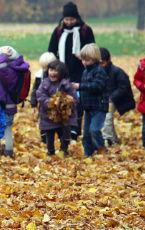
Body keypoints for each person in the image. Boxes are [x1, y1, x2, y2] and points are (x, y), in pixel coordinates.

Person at [48, 1, 96, 139]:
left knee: (78, 101)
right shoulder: (58, 31)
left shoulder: (85, 30)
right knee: (63, 100)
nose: (69, 22)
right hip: (63, 72)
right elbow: (51, 50)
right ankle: (64, 129)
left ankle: (76, 128)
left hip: (81, 71)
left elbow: (92, 49)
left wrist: (83, 55)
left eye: (71, 19)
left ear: (77, 18)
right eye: (66, 19)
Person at [0, 46, 30, 158]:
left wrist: (2, 56)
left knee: (0, 127)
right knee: (5, 128)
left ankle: (4, 152)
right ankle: (6, 150)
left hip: (5, 105)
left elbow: (3, 71)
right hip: (7, 104)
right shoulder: (16, 69)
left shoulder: (11, 71)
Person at [71, 44, 107, 157]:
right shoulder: (85, 72)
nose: (84, 62)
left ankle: (101, 150)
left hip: (99, 107)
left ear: (95, 58)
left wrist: (80, 86)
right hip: (87, 108)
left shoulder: (99, 71)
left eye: (87, 60)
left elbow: (97, 86)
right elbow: (83, 92)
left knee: (94, 130)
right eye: (83, 60)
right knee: (86, 134)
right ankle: (88, 155)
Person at [36, 61, 77, 156]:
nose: (52, 73)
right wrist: (50, 102)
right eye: (51, 70)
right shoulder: (45, 83)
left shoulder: (66, 85)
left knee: (64, 134)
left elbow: (74, 98)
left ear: (61, 72)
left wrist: (67, 101)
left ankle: (64, 150)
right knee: (49, 136)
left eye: (55, 71)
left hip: (63, 117)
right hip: (48, 116)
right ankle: (50, 151)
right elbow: (40, 95)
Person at [99, 47, 136, 146]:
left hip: (116, 99)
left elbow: (124, 87)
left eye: (102, 63)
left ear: (107, 61)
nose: (100, 65)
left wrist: (112, 97)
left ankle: (108, 139)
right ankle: (113, 139)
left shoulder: (117, 72)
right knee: (106, 119)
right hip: (104, 99)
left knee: (107, 118)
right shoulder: (97, 72)